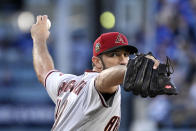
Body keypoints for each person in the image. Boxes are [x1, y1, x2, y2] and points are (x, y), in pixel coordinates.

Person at [31, 15, 160, 131]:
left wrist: (38, 39)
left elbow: (44, 72)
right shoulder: (97, 85)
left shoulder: (67, 82)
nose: (122, 60)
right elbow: (103, 80)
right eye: (114, 55)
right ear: (97, 62)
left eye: (126, 54)